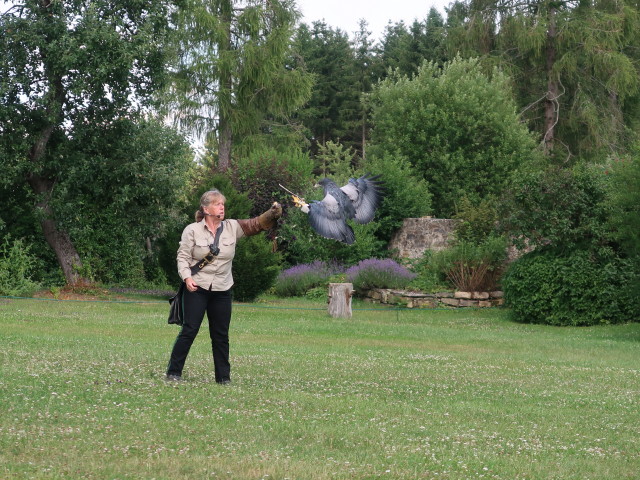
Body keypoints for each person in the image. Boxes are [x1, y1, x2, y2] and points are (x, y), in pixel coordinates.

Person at [166, 189, 281, 383]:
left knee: (220, 335)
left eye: (223, 204)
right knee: (189, 330)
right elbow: (182, 258)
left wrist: (271, 213)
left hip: (222, 289)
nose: (222, 207)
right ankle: (173, 372)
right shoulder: (192, 230)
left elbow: (255, 224)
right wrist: (187, 278)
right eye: (218, 204)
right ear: (206, 208)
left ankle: (223, 378)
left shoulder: (232, 227)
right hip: (197, 287)